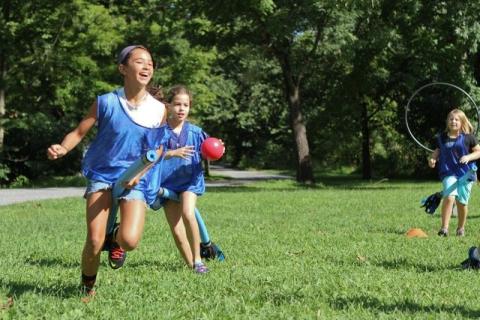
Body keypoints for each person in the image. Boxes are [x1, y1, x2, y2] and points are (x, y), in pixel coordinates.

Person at [47, 45, 166, 295]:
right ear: (123, 68)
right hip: (102, 173)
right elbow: (80, 132)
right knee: (93, 241)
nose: (147, 66)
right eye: (139, 62)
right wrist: (63, 148)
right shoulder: (106, 101)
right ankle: (87, 288)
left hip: (135, 176)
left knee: (130, 241)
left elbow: (158, 149)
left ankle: (116, 237)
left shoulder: (158, 109)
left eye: (150, 63)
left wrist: (140, 174)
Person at [145, 85, 210, 274]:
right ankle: (191, 265)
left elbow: (209, 151)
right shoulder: (159, 132)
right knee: (176, 228)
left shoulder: (196, 133)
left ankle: (198, 260)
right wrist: (172, 153)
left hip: (189, 181)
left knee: (189, 214)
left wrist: (217, 149)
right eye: (177, 104)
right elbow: (149, 155)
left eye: (186, 105)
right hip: (167, 184)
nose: (182, 109)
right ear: (168, 106)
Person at [427, 108, 480, 237]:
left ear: (462, 122)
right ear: (447, 122)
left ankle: (460, 228)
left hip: (466, 174)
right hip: (448, 173)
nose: (453, 121)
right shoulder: (442, 138)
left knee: (462, 202)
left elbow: (478, 152)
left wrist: (468, 157)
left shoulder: (469, 138)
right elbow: (438, 151)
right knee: (449, 197)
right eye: (451, 119)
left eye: (457, 119)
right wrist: (432, 158)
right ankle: (444, 228)